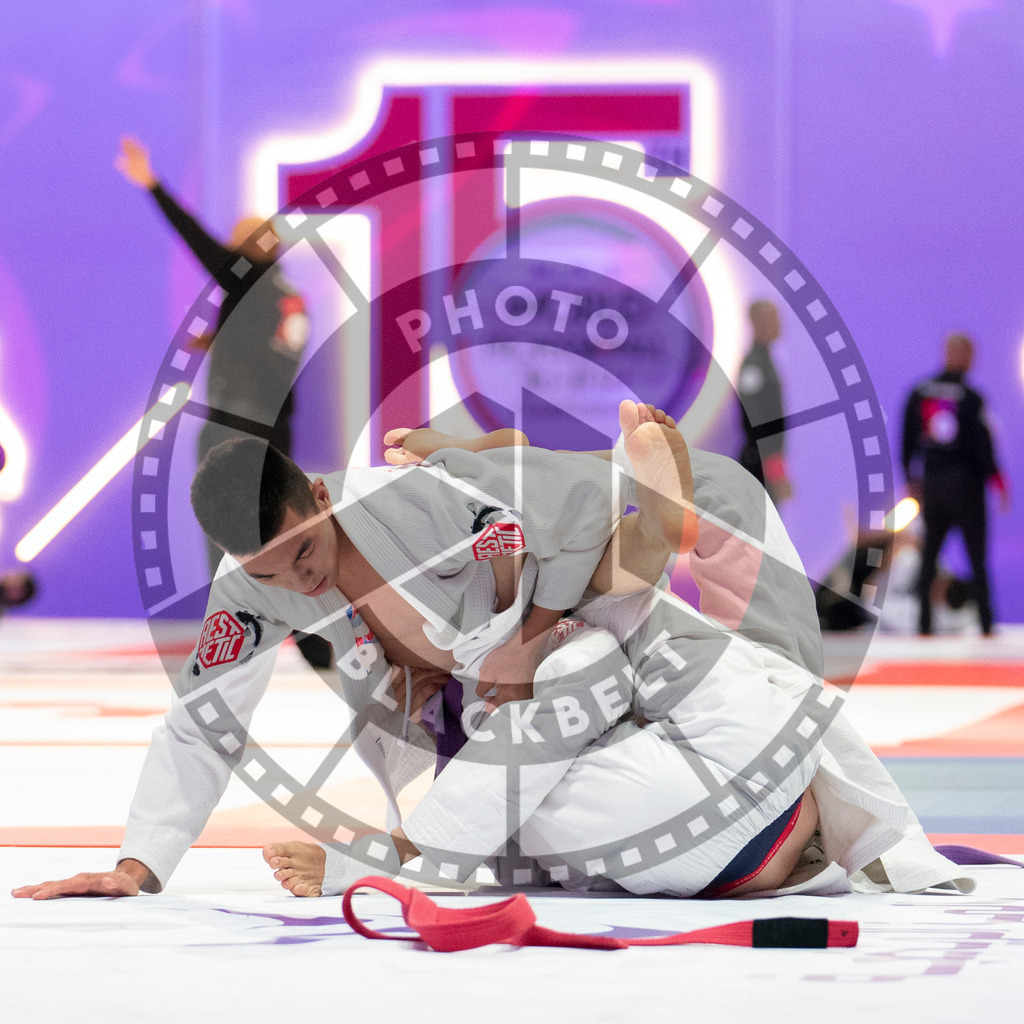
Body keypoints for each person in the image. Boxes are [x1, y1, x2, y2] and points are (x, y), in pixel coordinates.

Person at [13, 407, 971, 902]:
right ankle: (813, 834)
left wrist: (522, 641)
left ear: (318, 493)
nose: (297, 584)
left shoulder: (424, 507)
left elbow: (562, 535)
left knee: (671, 671)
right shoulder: (252, 585)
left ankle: (858, 838)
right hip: (519, 706)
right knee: (548, 771)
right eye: (270, 571)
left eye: (304, 551)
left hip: (615, 632)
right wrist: (139, 864)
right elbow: (204, 718)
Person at [116, 136, 330, 670]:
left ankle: (235, 633)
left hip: (236, 429)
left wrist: (154, 186)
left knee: (228, 532)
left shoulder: (248, 278)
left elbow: (197, 242)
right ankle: (315, 641)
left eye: (241, 239)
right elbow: (270, 347)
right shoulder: (281, 290)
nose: (232, 245)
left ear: (259, 247)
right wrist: (218, 340)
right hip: (274, 431)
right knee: (286, 532)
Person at [901, 333, 1009, 635]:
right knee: (976, 554)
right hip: (965, 486)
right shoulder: (971, 397)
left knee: (929, 555)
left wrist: (910, 478)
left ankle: (924, 623)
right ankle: (986, 623)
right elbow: (982, 444)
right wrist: (996, 479)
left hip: (933, 484)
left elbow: (907, 439)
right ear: (959, 355)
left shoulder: (920, 392)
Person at [736, 300, 792, 506]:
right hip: (758, 465)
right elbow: (757, 421)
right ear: (757, 322)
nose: (779, 324)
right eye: (773, 318)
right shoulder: (754, 366)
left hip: (764, 463)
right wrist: (775, 467)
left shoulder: (766, 363)